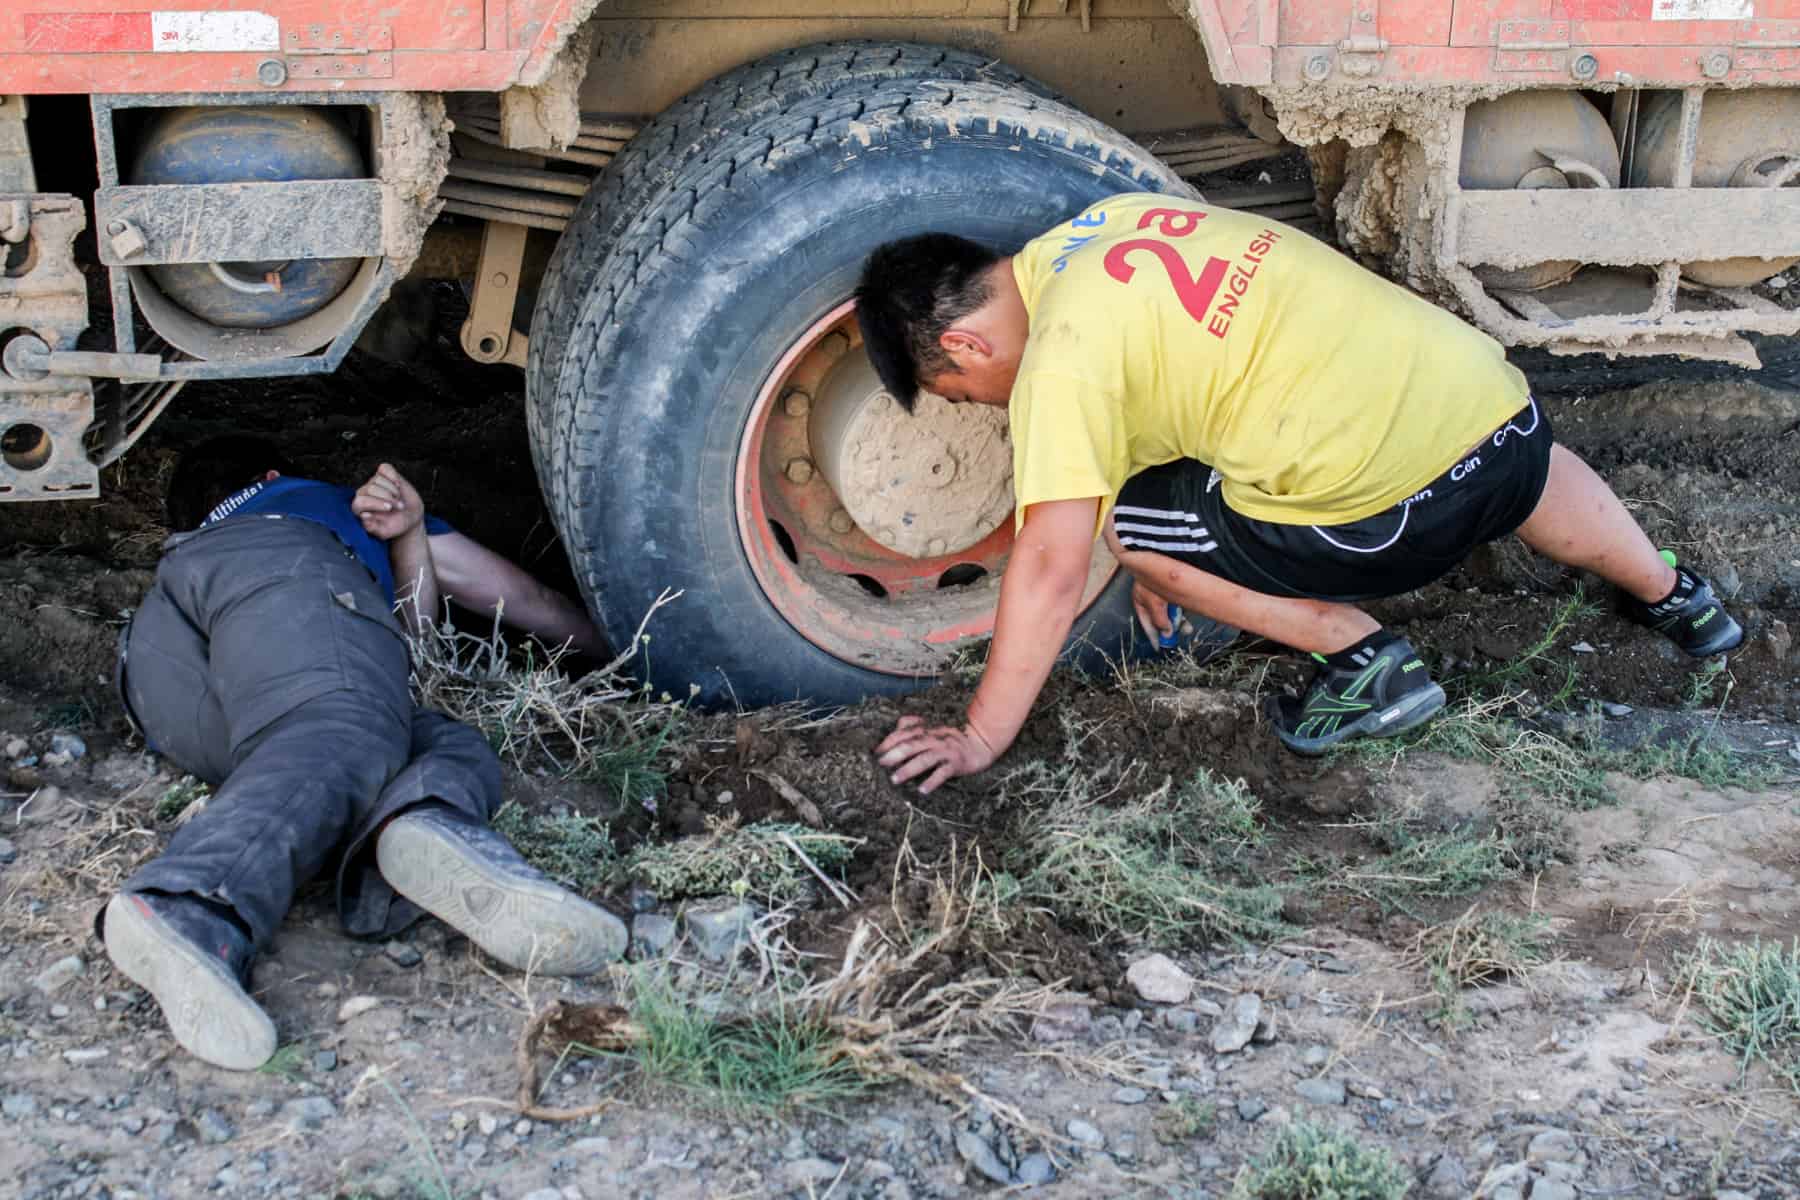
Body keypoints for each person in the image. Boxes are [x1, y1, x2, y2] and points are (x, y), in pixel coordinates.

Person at [854, 195, 1743, 794]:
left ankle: (1364, 662)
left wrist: (978, 736)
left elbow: (1051, 567)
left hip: (1390, 521)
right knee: (1509, 449)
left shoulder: (1056, 366)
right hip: (1504, 421)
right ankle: (1682, 601)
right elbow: (1181, 375)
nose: (993, 406)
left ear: (966, 348)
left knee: (1129, 526)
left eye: (969, 396)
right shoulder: (1116, 221)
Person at [100, 437, 627, 1071]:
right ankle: (191, 904)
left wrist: (407, 546)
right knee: (346, 724)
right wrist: (639, 652)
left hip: (157, 671)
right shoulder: (319, 506)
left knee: (416, 737)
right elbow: (527, 604)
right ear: (271, 474)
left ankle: (420, 823)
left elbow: (396, 663)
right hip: (278, 569)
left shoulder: (191, 553)